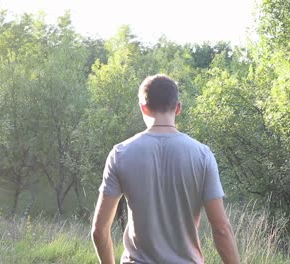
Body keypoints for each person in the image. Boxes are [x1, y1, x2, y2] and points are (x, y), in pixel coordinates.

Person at [91, 74, 240, 264]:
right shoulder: (202, 155)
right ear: (178, 108)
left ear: (143, 107)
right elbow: (221, 229)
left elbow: (99, 230)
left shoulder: (120, 154)